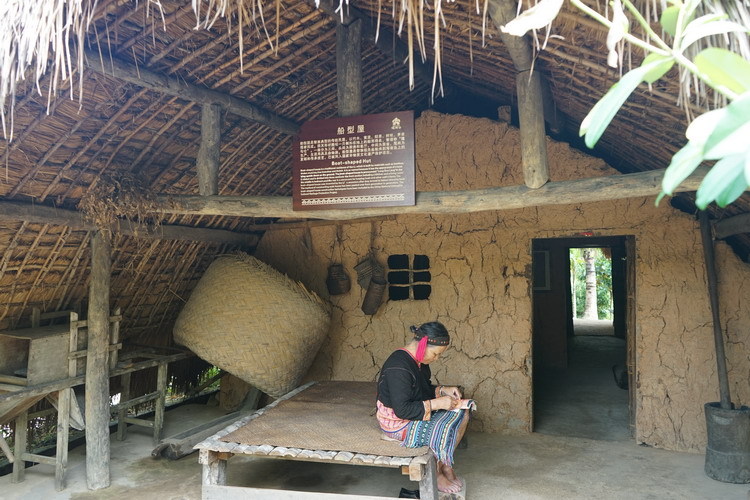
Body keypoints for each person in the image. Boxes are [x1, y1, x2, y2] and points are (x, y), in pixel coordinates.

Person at [376, 321, 469, 494]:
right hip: (396, 421)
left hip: (411, 411)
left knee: (462, 413)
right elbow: (402, 410)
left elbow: (423, 389)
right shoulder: (399, 367)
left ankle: (445, 464)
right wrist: (437, 403)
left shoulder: (419, 362)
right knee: (442, 428)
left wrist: (443, 390)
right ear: (423, 344)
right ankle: (436, 474)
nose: (436, 358)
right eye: (435, 354)